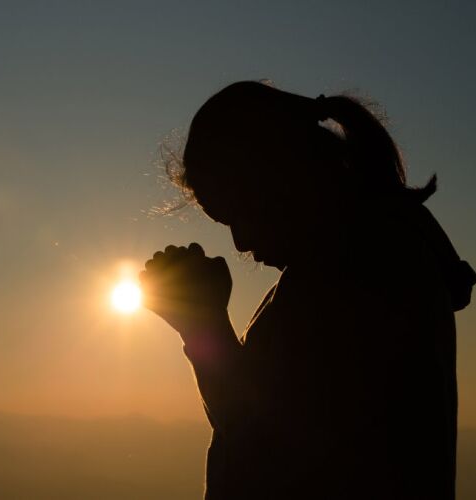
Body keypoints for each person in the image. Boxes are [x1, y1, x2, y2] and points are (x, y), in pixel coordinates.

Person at [139, 81, 475, 499]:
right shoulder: (365, 254)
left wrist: (202, 322)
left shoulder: (357, 273)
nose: (241, 243)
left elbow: (268, 450)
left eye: (239, 213)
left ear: (281, 176)